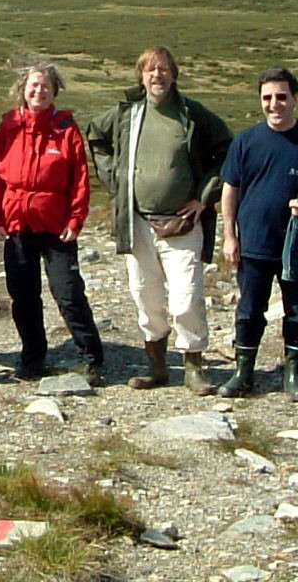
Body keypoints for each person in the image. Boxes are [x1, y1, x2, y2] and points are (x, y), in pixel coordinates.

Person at [85, 46, 233, 393]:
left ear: (174, 75)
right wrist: (117, 181)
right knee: (145, 296)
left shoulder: (192, 115)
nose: (157, 76)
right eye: (150, 70)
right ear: (141, 76)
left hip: (182, 223)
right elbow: (96, 137)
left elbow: (226, 150)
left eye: (164, 69)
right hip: (138, 223)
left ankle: (193, 366)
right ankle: (157, 367)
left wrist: (203, 197)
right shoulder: (127, 114)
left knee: (186, 297)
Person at [219, 67, 298, 402]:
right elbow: (229, 190)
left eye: (281, 97)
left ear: (295, 99)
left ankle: (294, 373)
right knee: (248, 310)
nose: (274, 104)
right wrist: (229, 237)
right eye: (267, 98)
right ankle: (243, 372)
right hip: (255, 244)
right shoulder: (246, 141)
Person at [0, 60, 105, 386]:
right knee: (23, 296)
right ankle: (32, 357)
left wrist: (76, 219)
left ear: (55, 91)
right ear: (23, 89)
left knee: (68, 293)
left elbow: (80, 176)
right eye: (33, 86)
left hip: (56, 226)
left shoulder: (66, 129)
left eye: (45, 87)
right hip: (17, 224)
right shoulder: (8, 127)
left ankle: (92, 357)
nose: (39, 91)